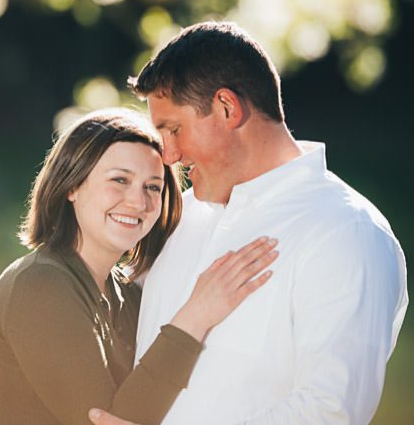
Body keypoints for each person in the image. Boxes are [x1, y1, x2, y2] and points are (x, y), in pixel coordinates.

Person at [89, 21, 408, 425]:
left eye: (174, 129)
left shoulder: (346, 233)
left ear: (227, 108)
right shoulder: (177, 217)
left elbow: (330, 412)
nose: (168, 156)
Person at [0, 108, 279, 425]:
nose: (138, 202)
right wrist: (196, 315)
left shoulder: (127, 294)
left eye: (152, 187)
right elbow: (108, 419)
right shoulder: (38, 285)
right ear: (72, 186)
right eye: (120, 180)